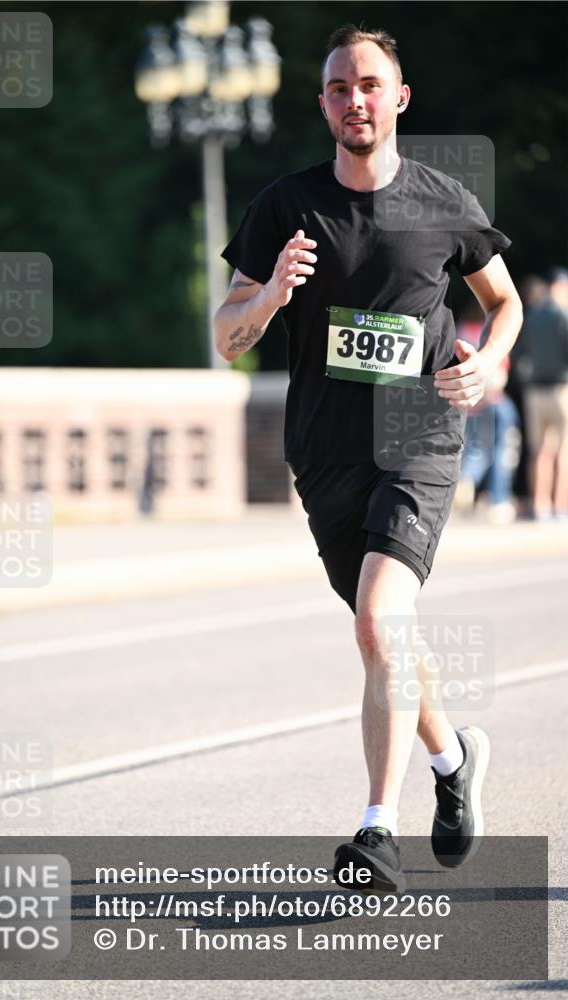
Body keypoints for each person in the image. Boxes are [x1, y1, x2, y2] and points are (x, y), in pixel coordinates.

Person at [214, 24, 523, 890]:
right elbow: (228, 337)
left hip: (417, 441)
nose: (356, 99)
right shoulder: (286, 206)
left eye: (370, 84)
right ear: (323, 103)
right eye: (340, 87)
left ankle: (376, 830)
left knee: (376, 617)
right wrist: (272, 292)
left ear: (399, 98)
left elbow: (502, 306)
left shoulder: (442, 203)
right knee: (385, 633)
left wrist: (487, 363)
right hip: (324, 452)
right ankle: (453, 758)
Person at [454, 299, 520, 523]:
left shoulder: (461, 330)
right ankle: (498, 500)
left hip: (469, 404)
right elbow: (501, 372)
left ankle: (467, 477)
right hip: (493, 400)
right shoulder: (494, 335)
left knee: (476, 448)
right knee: (501, 450)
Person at [513, 267, 568, 520]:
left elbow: (519, 355)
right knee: (561, 451)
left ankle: (540, 505)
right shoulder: (563, 315)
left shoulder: (533, 315)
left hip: (534, 389)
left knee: (538, 451)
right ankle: (559, 506)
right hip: (560, 388)